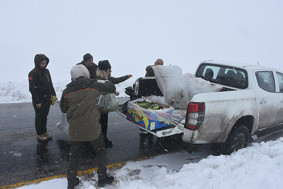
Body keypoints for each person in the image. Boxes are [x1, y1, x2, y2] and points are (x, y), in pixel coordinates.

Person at [60, 64, 116, 189]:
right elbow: (111, 88)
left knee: (74, 155)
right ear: (85, 74)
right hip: (92, 127)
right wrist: (107, 81)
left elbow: (63, 109)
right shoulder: (93, 86)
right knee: (100, 151)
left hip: (75, 129)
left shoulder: (66, 91)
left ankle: (71, 181)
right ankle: (102, 177)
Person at [96, 60, 133, 148]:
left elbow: (116, 80)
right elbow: (102, 88)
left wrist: (127, 76)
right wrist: (112, 90)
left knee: (102, 123)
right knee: (101, 123)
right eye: (109, 69)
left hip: (102, 105)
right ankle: (101, 141)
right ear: (105, 70)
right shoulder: (98, 79)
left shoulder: (106, 77)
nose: (111, 71)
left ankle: (102, 139)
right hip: (99, 104)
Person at [28, 54, 57, 142]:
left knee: (45, 116)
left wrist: (54, 95)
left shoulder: (47, 71)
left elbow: (50, 84)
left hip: (47, 98)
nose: (44, 65)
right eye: (42, 63)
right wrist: (37, 101)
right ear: (37, 63)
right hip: (39, 99)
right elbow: (32, 88)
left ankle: (44, 132)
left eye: (45, 63)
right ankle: (40, 134)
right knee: (39, 116)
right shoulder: (33, 73)